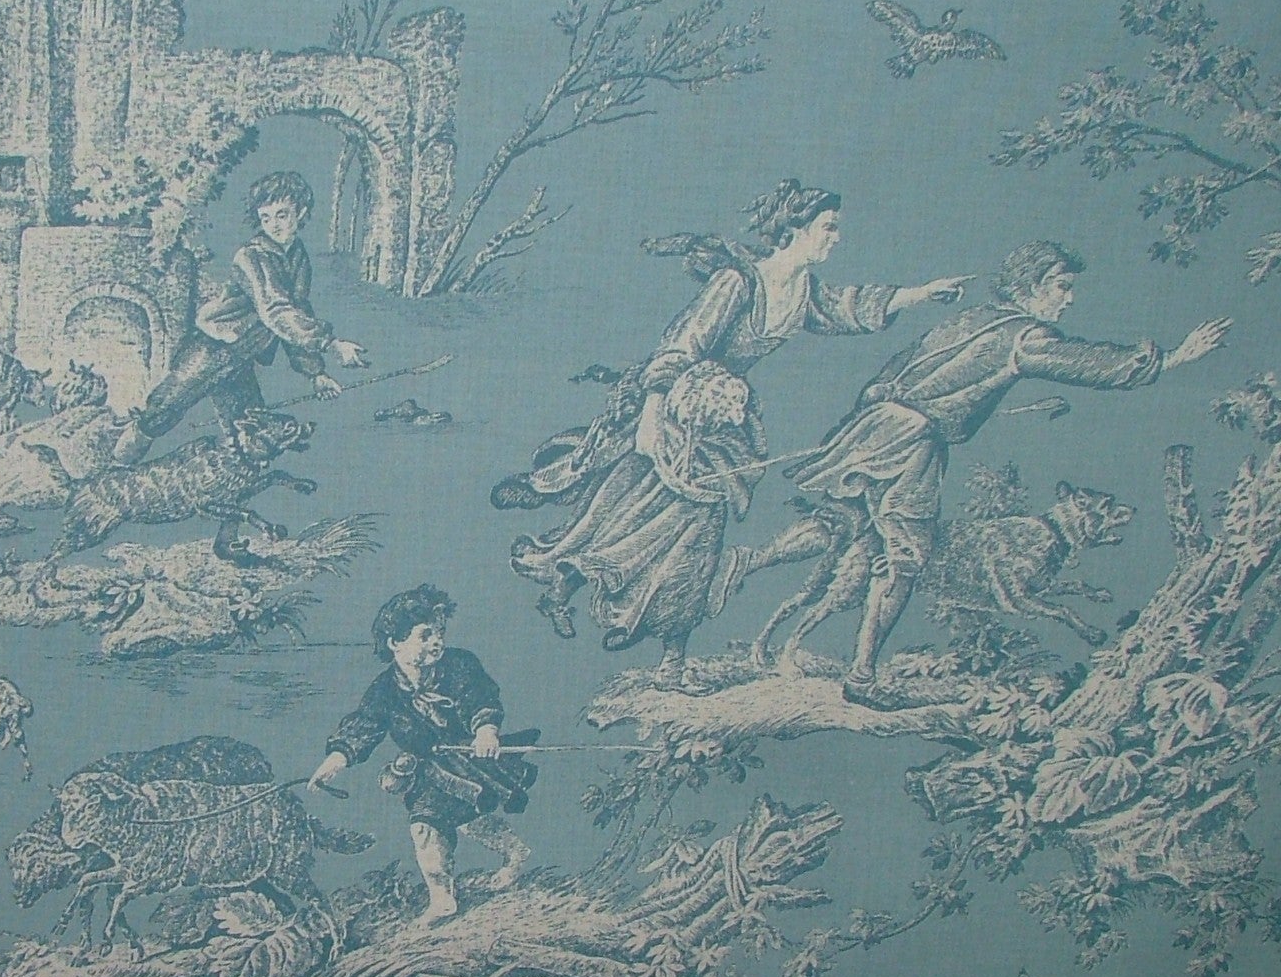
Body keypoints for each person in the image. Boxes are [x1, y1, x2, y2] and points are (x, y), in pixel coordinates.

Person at [498, 179, 971, 688]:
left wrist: (922, 294)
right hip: (677, 409)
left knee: (691, 538)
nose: (836, 238)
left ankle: (660, 654)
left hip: (722, 422)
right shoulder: (736, 283)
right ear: (795, 229)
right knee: (632, 520)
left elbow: (850, 307)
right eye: (828, 227)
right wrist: (653, 416)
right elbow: (681, 345)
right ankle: (575, 590)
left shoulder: (804, 292)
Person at [774, 239, 1230, 708]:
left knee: (860, 535)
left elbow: (889, 376)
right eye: (1061, 286)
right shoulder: (1022, 336)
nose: (1069, 298)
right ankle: (861, 678)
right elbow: (1081, 362)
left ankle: (772, 609)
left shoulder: (972, 319)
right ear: (1030, 286)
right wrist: (1170, 359)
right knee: (907, 559)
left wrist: (871, 424)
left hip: (873, 430)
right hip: (911, 446)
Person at [307, 585, 537, 927]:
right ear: (394, 642)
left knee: (472, 817)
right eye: (425, 634)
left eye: (440, 632)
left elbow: (480, 697)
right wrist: (337, 759)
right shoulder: (384, 690)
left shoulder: (460, 664)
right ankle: (442, 900)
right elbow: (365, 724)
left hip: (469, 761)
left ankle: (515, 853)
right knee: (425, 826)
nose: (437, 642)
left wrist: (486, 730)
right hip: (430, 771)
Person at [114, 171, 369, 462]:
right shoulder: (252, 256)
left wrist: (316, 373)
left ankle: (233, 480)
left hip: (242, 356)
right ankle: (116, 465)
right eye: (265, 217)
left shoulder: (297, 255)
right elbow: (276, 310)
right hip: (212, 349)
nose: (274, 225)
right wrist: (331, 344)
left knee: (251, 434)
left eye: (282, 215)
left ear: (301, 212)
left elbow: (296, 312)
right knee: (159, 413)